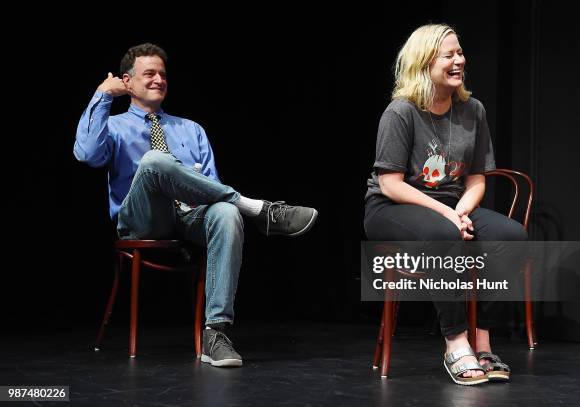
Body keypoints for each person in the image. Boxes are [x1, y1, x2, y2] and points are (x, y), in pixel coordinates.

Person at [74, 43, 318, 368]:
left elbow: (213, 189)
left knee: (226, 211)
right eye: (149, 73)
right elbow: (87, 154)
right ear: (127, 82)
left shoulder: (191, 129)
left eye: (163, 74)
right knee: (154, 161)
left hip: (189, 216)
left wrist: (205, 195)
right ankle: (260, 210)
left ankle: (216, 334)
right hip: (143, 219)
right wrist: (103, 94)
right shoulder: (114, 127)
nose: (159, 79)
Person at [364, 24, 527, 385]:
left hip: (453, 206)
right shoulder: (401, 112)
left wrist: (461, 211)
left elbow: (477, 180)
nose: (459, 61)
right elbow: (390, 184)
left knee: (511, 236)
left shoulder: (473, 110)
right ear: (424, 63)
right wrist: (447, 215)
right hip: (393, 207)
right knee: (444, 235)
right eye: (449, 55)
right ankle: (455, 343)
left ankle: (482, 340)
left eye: (460, 53)